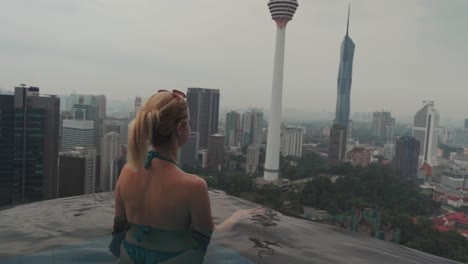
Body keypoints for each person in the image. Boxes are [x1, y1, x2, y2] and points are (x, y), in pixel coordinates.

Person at [109, 90, 262, 264]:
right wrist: (238, 216)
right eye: (188, 123)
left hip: (127, 257)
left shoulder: (127, 171)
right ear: (180, 128)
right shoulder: (193, 186)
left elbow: (118, 231)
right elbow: (211, 239)